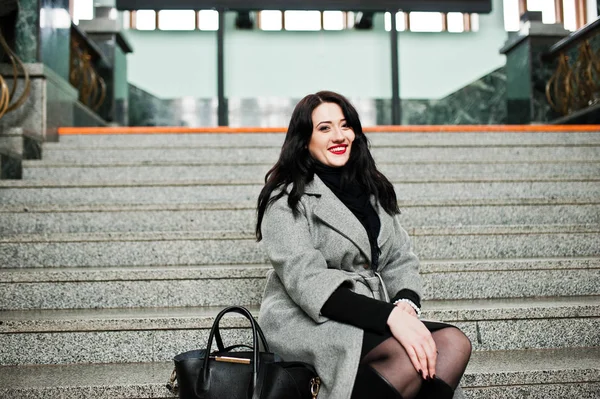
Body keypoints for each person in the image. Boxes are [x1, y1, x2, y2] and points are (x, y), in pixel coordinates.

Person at [256, 91, 471, 399]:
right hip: (307, 320)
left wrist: (405, 307)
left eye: (345, 126)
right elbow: (306, 281)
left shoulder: (371, 190)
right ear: (305, 140)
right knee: (409, 357)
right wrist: (389, 318)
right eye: (325, 128)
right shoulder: (286, 199)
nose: (339, 135)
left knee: (453, 342)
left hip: (371, 310)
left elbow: (400, 257)